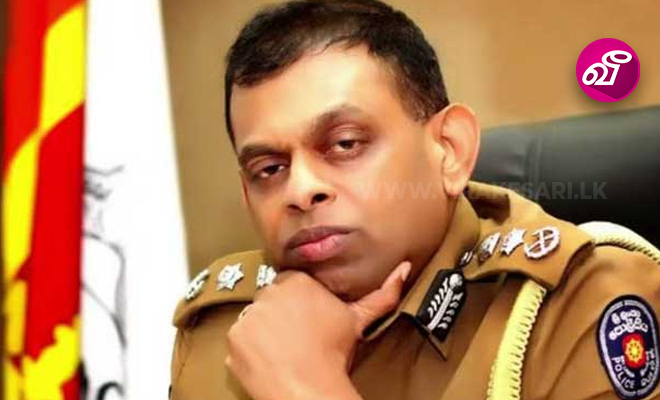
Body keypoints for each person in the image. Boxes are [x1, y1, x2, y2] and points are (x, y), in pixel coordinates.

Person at [169, 1, 660, 399]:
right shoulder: (221, 330)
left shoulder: (575, 306)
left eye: (345, 144)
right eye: (269, 169)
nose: (299, 190)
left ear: (450, 150)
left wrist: (306, 388)